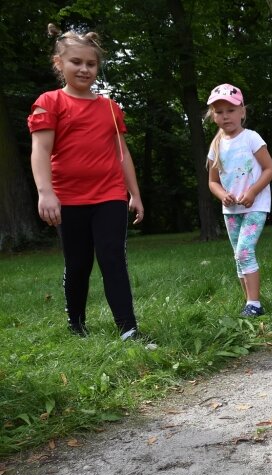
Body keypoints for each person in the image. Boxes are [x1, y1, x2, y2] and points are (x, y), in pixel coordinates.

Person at [28, 24, 145, 340]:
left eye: (90, 64)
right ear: (59, 64)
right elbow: (40, 150)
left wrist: (134, 193)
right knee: (78, 264)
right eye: (76, 62)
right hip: (68, 198)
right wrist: (45, 193)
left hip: (109, 196)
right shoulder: (49, 102)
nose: (84, 69)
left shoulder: (109, 107)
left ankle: (128, 330)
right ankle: (76, 325)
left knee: (112, 258)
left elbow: (122, 154)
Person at [206, 83, 272, 316]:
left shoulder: (251, 138)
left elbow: (269, 169)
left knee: (244, 252)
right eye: (219, 111)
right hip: (231, 211)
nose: (225, 116)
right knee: (238, 256)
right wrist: (222, 195)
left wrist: (254, 191)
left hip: (255, 206)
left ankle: (254, 304)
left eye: (231, 110)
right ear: (213, 116)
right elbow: (213, 181)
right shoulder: (216, 145)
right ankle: (249, 302)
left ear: (242, 112)